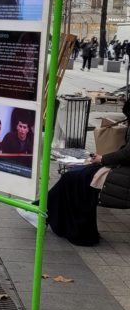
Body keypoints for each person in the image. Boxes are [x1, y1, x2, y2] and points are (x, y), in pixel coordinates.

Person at [44, 99, 130, 245]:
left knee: (75, 178)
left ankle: (43, 210)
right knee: (74, 175)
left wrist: (103, 159)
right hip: (120, 167)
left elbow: (127, 154)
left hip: (123, 172)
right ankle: (43, 209)